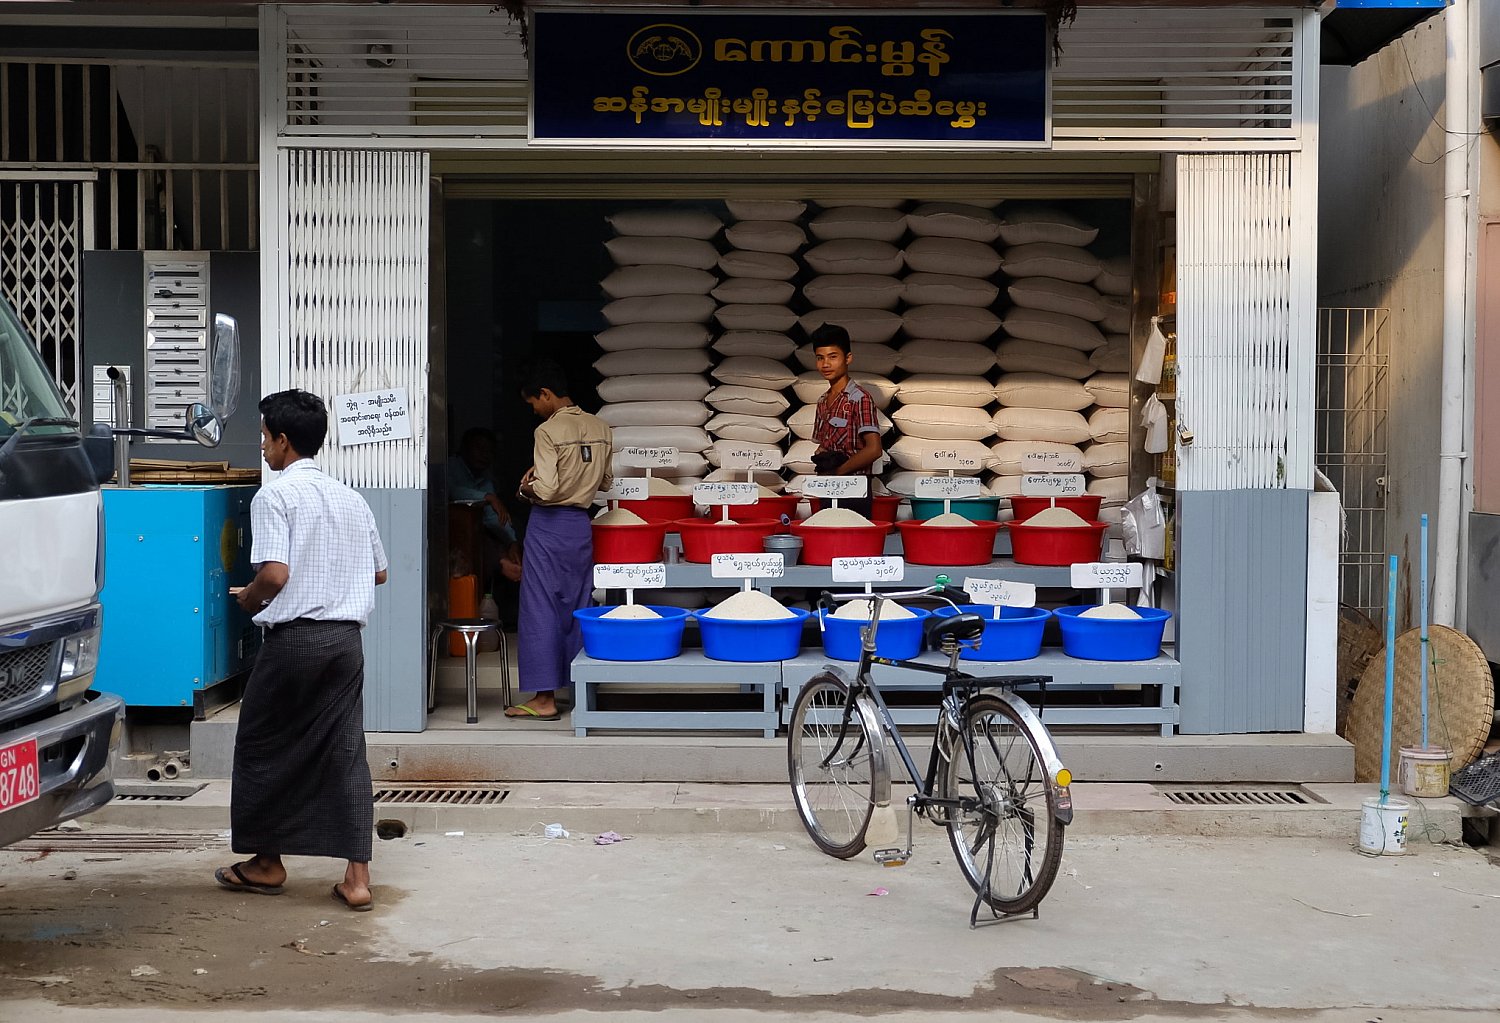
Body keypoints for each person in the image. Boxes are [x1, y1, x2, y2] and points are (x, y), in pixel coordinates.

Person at [215, 389, 389, 912]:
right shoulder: (349, 497)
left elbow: (274, 573)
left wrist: (248, 598)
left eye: (265, 437)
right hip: (345, 641)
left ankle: (267, 864)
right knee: (346, 752)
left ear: (283, 442)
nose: (263, 447)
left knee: (264, 745)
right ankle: (357, 880)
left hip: (295, 641)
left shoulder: (275, 496)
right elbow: (379, 571)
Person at [505, 362, 612, 721]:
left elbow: (547, 488)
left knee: (540, 607)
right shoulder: (601, 427)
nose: (534, 410)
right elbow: (606, 482)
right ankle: (580, 688)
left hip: (549, 526)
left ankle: (545, 699)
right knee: (577, 603)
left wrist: (525, 488)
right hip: (580, 527)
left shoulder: (547, 431)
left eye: (533, 402)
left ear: (546, 394)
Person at [809, 323, 883, 518]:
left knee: (853, 544)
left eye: (833, 357)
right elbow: (823, 444)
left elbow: (874, 449)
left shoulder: (860, 398)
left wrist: (839, 472)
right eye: (820, 358)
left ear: (847, 358)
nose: (825, 364)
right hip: (828, 487)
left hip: (855, 488)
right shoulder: (823, 401)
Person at [448, 427, 523, 585]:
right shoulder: (451, 466)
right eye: (479, 448)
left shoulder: (485, 479)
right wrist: (487, 497)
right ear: (465, 448)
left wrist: (512, 542)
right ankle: (502, 563)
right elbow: (453, 491)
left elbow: (493, 516)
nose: (484, 455)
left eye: (489, 451)